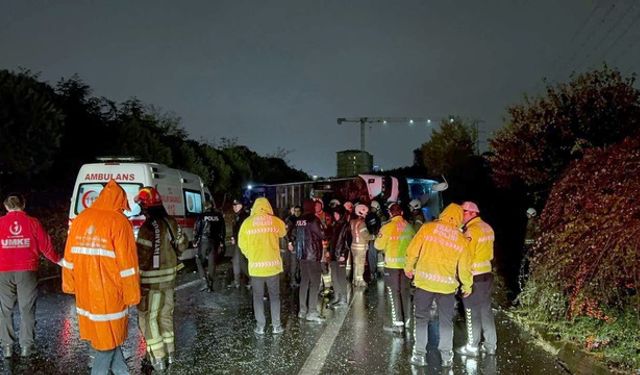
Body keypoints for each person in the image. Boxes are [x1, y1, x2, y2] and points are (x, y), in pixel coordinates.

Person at [62, 180, 141, 375]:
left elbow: (69, 258)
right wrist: (132, 296)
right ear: (120, 201)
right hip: (109, 295)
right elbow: (128, 266)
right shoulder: (120, 222)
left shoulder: (81, 219)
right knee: (106, 346)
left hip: (86, 294)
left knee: (108, 340)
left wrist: (70, 284)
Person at [404, 203, 472, 368]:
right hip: (447, 287)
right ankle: (447, 357)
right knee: (446, 321)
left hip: (424, 282)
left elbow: (413, 250)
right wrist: (467, 285)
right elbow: (464, 267)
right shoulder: (462, 239)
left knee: (421, 319)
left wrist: (409, 267)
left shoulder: (427, 228)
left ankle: (419, 354)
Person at [0, 193, 62, 358]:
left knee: (5, 310)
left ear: (6, 207)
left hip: (3, 271)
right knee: (27, 308)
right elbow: (45, 244)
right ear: (23, 204)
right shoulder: (32, 222)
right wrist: (58, 260)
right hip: (27, 271)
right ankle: (26, 347)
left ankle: (7, 347)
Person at [134, 187, 188, 371]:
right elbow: (183, 245)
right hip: (170, 282)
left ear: (146, 206)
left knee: (149, 319)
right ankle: (170, 354)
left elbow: (141, 258)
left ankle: (158, 359)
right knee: (166, 316)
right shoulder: (171, 222)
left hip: (151, 285)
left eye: (141, 205)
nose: (140, 209)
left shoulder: (147, 228)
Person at [238, 198, 287, 335]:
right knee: (274, 296)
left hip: (256, 268)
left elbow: (241, 244)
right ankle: (276, 326)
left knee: (258, 297)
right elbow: (284, 232)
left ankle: (260, 327)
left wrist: (251, 255)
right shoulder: (275, 221)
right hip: (273, 267)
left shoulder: (247, 223)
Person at [455, 201, 497, 357]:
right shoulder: (488, 228)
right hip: (487, 273)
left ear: (473, 213)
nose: (462, 215)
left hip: (474, 276)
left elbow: (465, 258)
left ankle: (472, 347)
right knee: (486, 310)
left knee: (471, 311)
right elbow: (491, 255)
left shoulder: (471, 232)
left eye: (464, 212)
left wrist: (464, 281)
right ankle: (491, 345)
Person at [374, 203, 415, 333]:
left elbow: (378, 246)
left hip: (392, 266)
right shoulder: (409, 227)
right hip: (406, 266)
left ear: (390, 213)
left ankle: (398, 324)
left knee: (394, 294)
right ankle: (407, 320)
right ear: (402, 212)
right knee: (405, 293)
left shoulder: (387, 227)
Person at [289, 199, 326, 323]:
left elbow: (292, 234)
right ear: (311, 207)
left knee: (304, 281)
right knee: (315, 282)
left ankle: (302, 310)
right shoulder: (313, 219)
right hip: (312, 255)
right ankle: (312, 311)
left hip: (302, 256)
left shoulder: (299, 220)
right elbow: (322, 234)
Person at [193, 200, 226, 292]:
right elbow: (222, 230)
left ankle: (204, 282)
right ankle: (210, 284)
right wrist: (221, 242)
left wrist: (195, 240)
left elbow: (197, 228)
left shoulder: (201, 216)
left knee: (199, 260)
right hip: (215, 242)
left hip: (204, 241)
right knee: (212, 263)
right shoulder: (219, 216)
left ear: (205, 207)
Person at [327, 206, 350, 308]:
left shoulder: (345, 226)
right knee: (334, 277)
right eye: (334, 214)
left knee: (341, 277)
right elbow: (332, 240)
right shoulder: (335, 225)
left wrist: (343, 254)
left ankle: (343, 299)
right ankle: (337, 297)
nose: (335, 216)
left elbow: (348, 241)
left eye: (337, 214)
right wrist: (328, 251)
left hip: (340, 256)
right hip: (333, 255)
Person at [229, 199, 250, 289]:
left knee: (242, 263)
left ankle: (253, 279)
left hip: (243, 242)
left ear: (241, 206)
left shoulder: (244, 216)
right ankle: (237, 281)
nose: (234, 207)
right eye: (233, 206)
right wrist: (234, 237)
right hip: (239, 242)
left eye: (236, 205)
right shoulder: (238, 215)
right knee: (236, 261)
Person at [349, 204, 370, 287]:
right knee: (360, 264)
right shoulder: (362, 223)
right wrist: (374, 236)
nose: (366, 214)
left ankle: (355, 280)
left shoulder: (352, 222)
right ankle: (360, 281)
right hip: (361, 247)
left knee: (355, 264)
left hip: (354, 246)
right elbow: (366, 236)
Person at [365, 200, 383, 282]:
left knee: (374, 256)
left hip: (375, 239)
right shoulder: (371, 217)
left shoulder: (373, 217)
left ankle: (375, 272)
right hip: (373, 239)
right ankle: (373, 272)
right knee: (372, 256)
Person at [285, 205, 302, 287]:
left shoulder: (302, 219)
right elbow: (287, 233)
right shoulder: (291, 220)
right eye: (296, 211)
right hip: (295, 244)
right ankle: (293, 280)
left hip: (300, 244)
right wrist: (290, 243)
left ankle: (296, 279)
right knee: (294, 264)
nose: (297, 212)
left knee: (298, 263)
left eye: (299, 211)